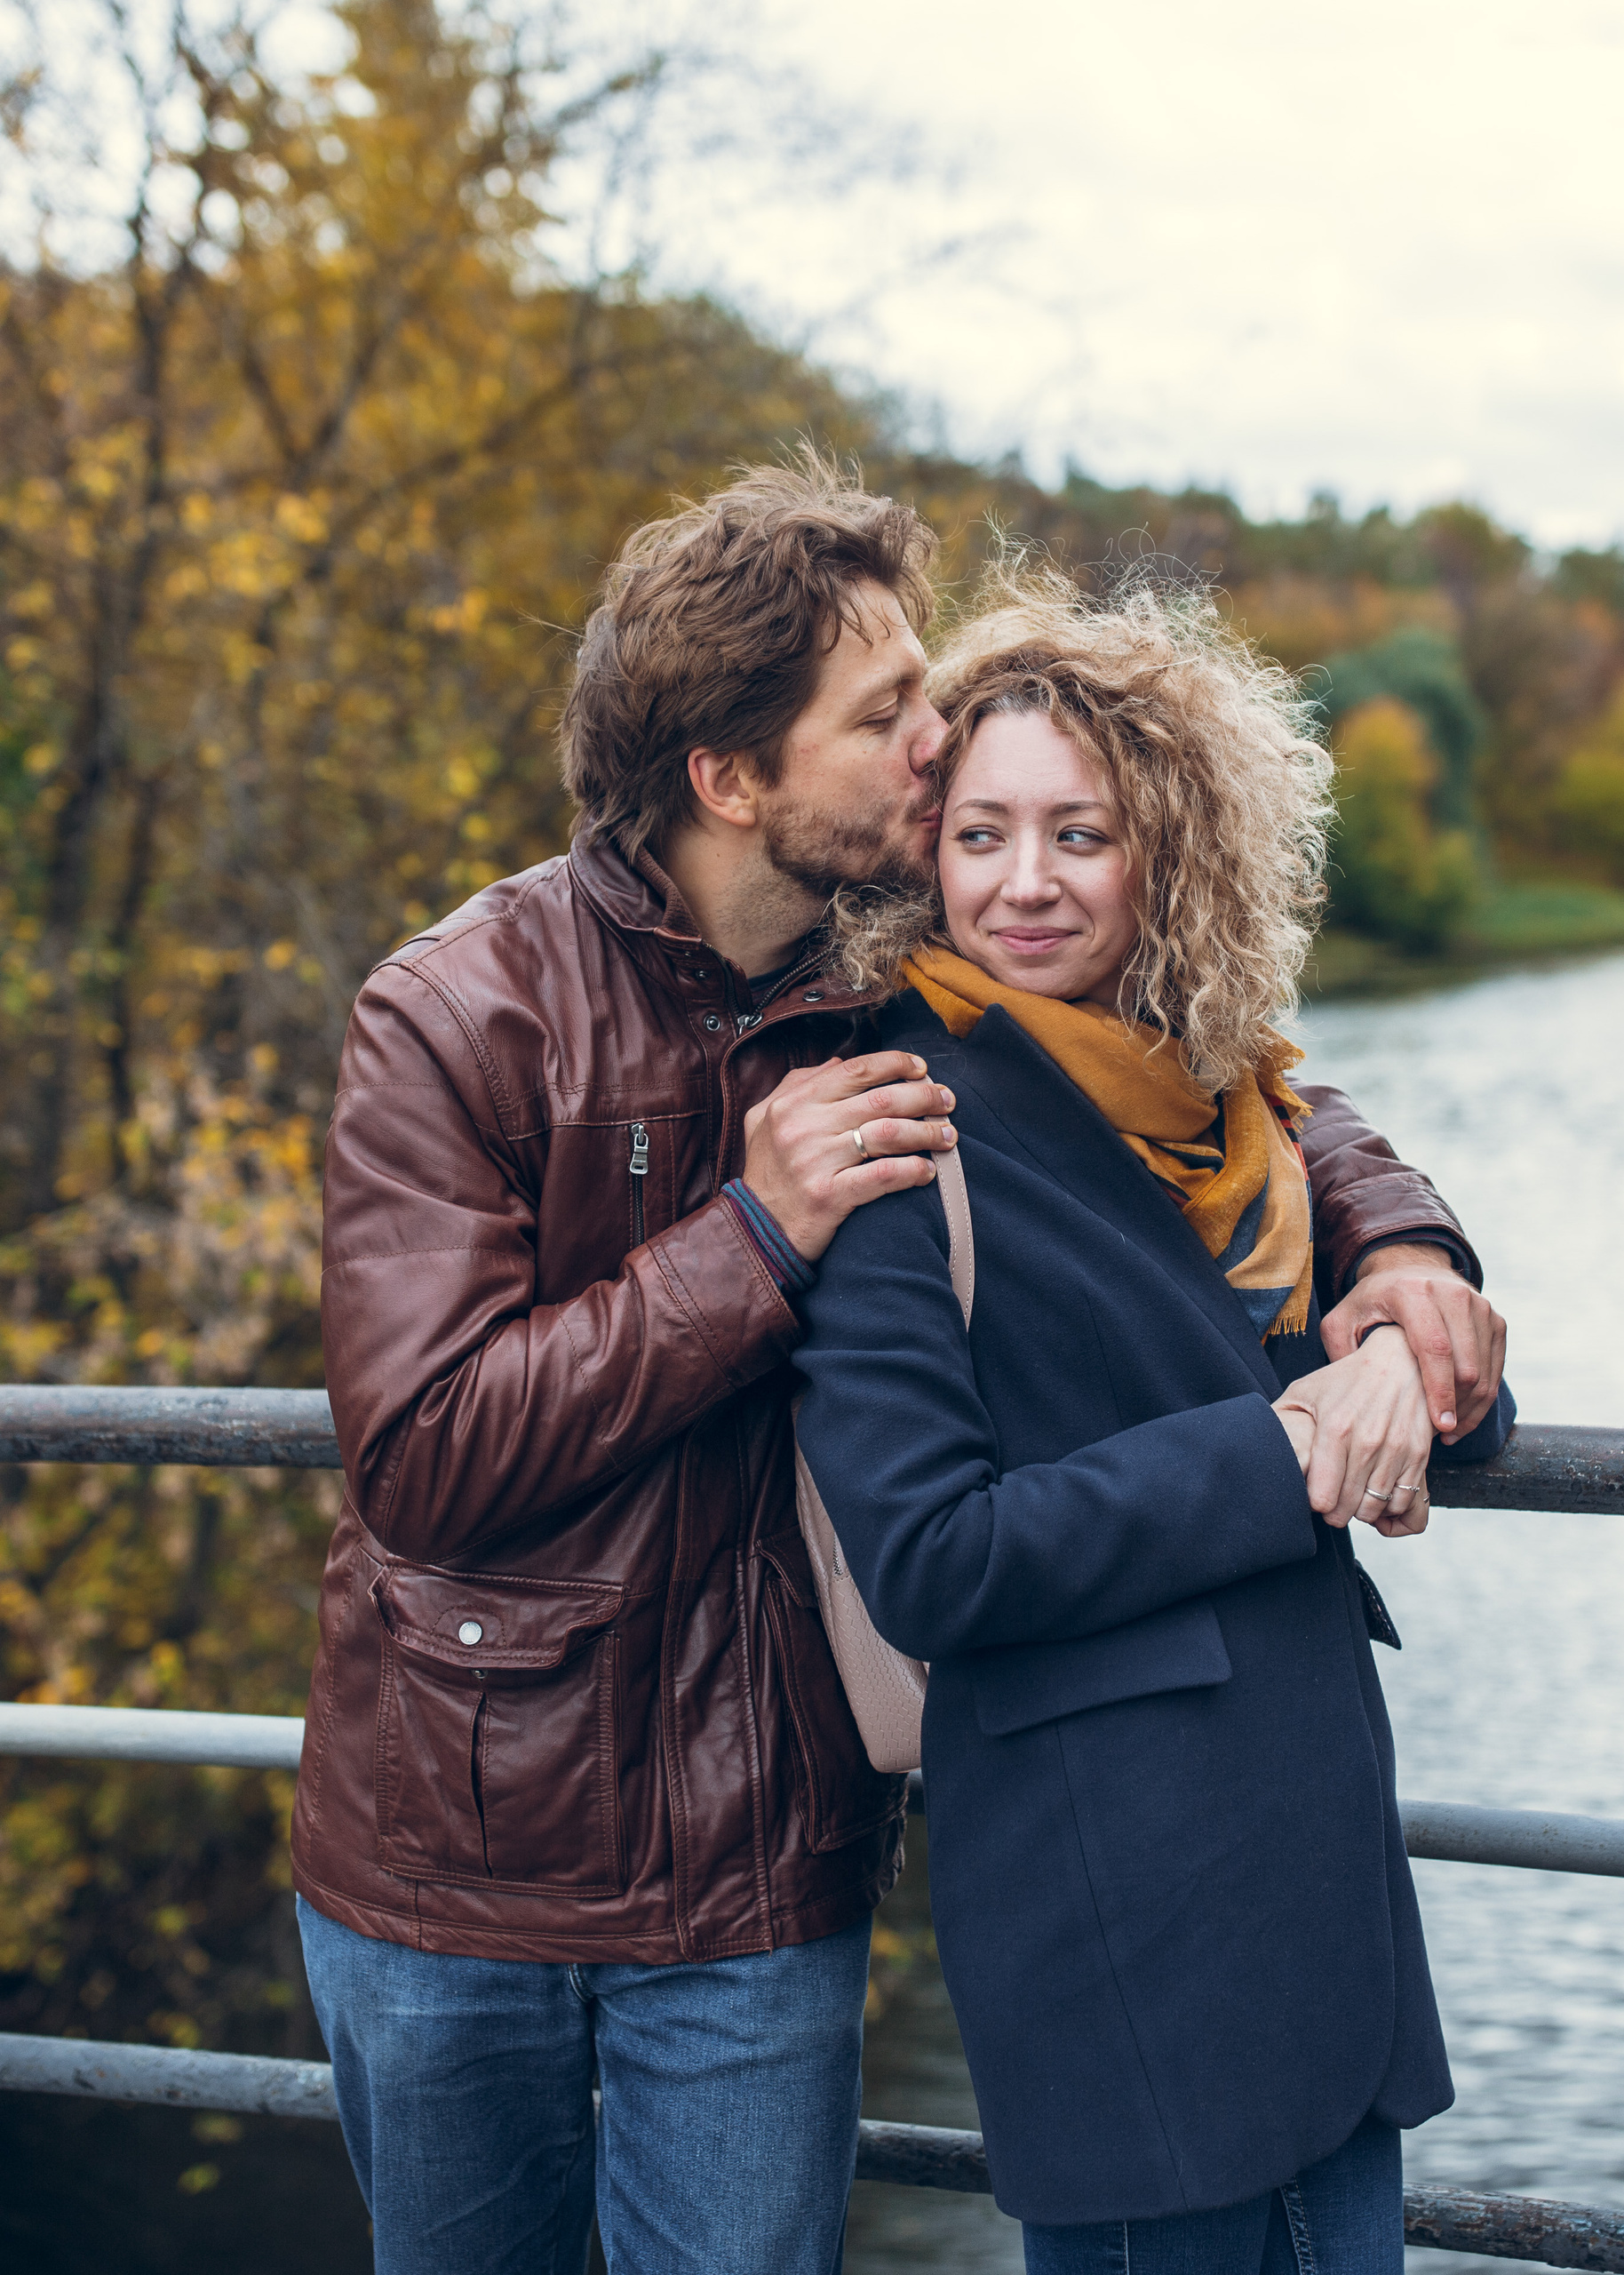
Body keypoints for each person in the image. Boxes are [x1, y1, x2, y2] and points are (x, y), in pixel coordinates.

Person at [291, 456, 1509, 2275]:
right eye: (890, 714)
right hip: (465, 1851)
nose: (936, 741)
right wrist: (748, 1235)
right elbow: (424, 1457)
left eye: (930, 694)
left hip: (759, 1840)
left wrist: (1396, 1240)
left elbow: (1208, 1078)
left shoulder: (873, 983)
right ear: (732, 775)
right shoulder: (464, 1010)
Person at [794, 570, 1517, 2271]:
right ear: (928, 852)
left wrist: (1409, 1333)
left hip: (1318, 1882)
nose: (1025, 885)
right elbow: (935, 1558)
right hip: (1115, 1909)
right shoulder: (898, 1131)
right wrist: (1289, 1443)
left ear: (1171, 850)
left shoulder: (1229, 1094)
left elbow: (1448, 1397)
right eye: (980, 835)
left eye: (1080, 834)